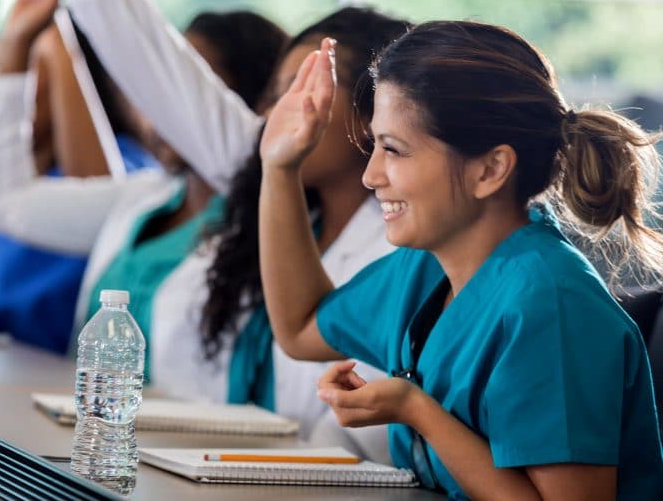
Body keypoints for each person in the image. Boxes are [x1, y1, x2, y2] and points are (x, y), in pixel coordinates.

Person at [256, 26, 663, 499]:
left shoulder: (553, 303)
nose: (371, 175)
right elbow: (301, 327)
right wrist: (280, 166)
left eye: (393, 149)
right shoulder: (425, 269)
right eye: (374, 146)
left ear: (490, 170)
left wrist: (417, 409)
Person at [50, 0, 410, 463]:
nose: (277, 115)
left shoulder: (401, 245)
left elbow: (361, 435)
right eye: (275, 94)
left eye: (307, 90)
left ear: (373, 111)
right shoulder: (274, 197)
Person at [0, 0, 288, 360]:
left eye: (172, 95)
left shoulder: (268, 214)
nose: (156, 116)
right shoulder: (145, 198)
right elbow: (4, 202)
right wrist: (16, 45)